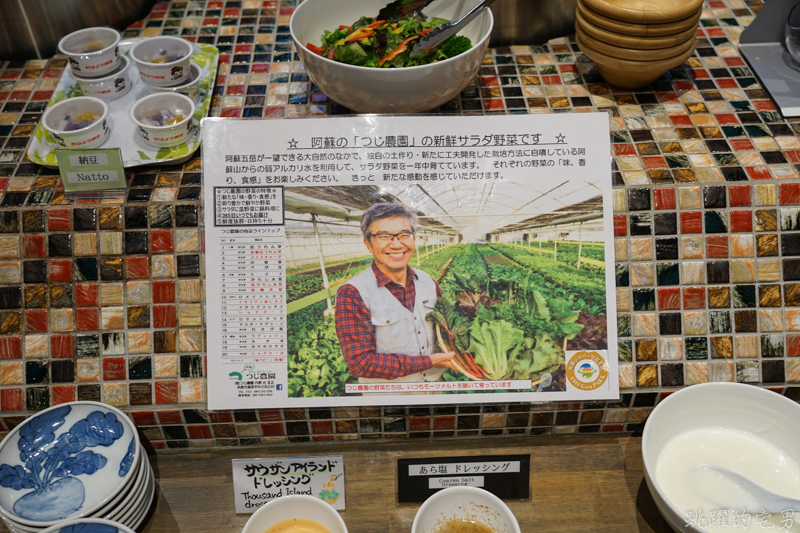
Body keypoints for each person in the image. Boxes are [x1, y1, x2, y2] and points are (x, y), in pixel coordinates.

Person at [335, 203, 456, 383]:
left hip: (433, 391)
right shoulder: (353, 293)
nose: (397, 244)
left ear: (414, 239)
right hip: (387, 401)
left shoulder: (428, 281)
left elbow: (448, 330)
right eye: (383, 236)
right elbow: (360, 363)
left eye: (404, 234)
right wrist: (427, 362)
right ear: (368, 244)